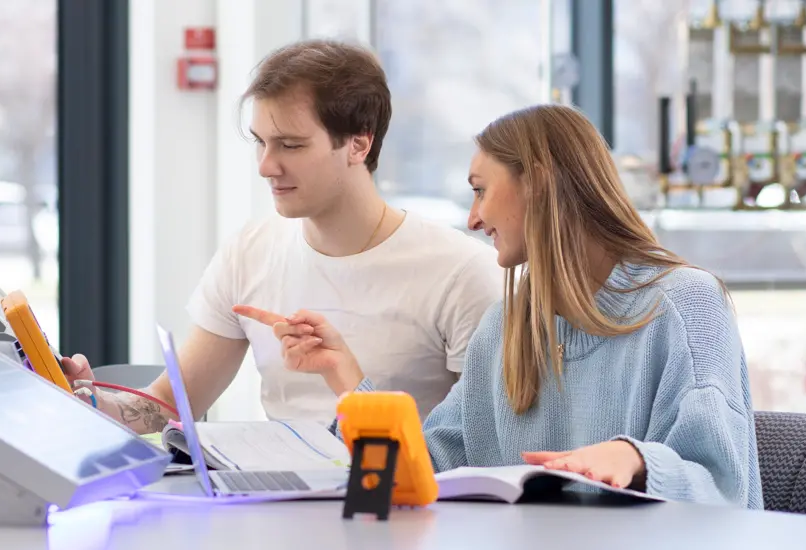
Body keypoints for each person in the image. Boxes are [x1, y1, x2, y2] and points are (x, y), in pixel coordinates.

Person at [264, 104, 764, 508]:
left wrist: (634, 458)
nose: (473, 219)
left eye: (480, 191)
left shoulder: (685, 304)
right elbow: (430, 467)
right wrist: (344, 375)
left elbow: (722, 486)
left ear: (538, 183)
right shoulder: (505, 326)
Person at [61, 39, 502, 433]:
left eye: (290, 145)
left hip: (404, 492)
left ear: (359, 144)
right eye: (261, 141)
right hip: (277, 490)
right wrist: (88, 401)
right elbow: (170, 404)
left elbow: (478, 443)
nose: (266, 166)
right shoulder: (250, 252)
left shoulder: (462, 272)